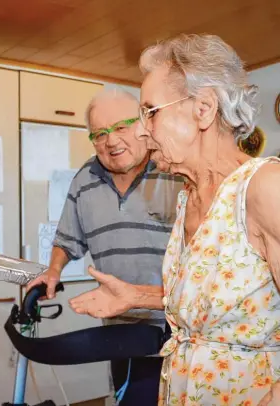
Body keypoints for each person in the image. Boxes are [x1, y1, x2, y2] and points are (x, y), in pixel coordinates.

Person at [69, 34, 280, 406]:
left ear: (203, 109)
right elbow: (215, 300)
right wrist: (136, 296)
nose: (141, 130)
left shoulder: (264, 188)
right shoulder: (187, 197)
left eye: (150, 111)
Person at [28, 89, 183, 405]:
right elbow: (67, 239)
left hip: (177, 331)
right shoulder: (85, 179)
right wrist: (53, 271)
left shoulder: (174, 170)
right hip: (120, 334)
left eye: (121, 127)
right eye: (99, 134)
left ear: (142, 124)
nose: (111, 141)